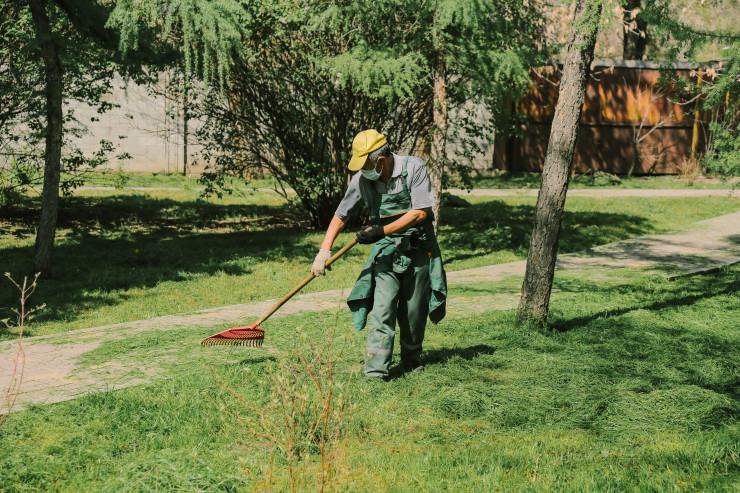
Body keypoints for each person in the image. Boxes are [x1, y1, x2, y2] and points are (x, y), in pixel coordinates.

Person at [311, 129, 447, 380]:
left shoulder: (413, 167)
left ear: (380, 160)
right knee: (383, 309)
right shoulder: (362, 180)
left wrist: (381, 230)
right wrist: (324, 251)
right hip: (386, 251)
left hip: (419, 248)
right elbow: (341, 214)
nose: (362, 171)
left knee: (413, 312)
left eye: (365, 164)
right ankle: (376, 370)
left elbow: (420, 212)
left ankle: (411, 360)